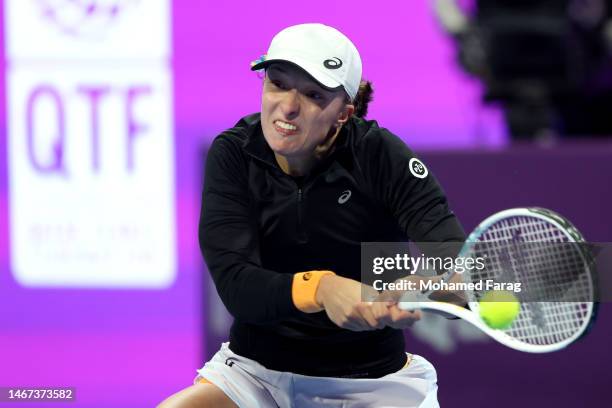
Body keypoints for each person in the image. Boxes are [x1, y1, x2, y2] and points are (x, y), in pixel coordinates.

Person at [158, 23, 466, 408]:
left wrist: (429, 288)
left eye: (313, 94)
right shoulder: (235, 154)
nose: (287, 107)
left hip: (376, 384)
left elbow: (460, 268)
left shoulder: (381, 156)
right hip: (256, 375)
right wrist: (322, 288)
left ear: (345, 113)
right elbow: (237, 285)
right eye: (277, 83)